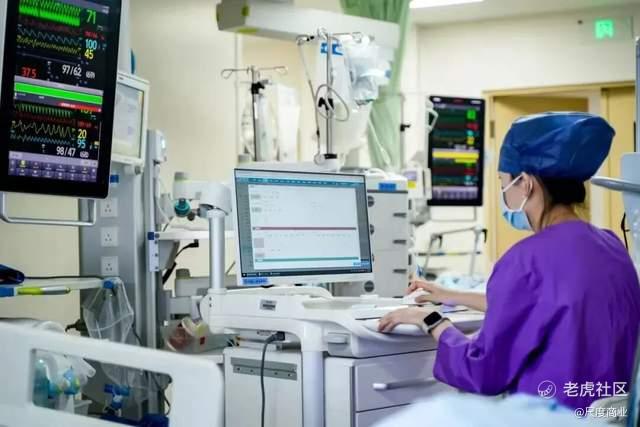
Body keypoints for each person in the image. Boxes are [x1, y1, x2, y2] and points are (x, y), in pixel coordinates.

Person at [378, 112, 640, 410]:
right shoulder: (611, 247)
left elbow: (483, 369)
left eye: (504, 182)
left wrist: (432, 321)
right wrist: (449, 295)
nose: (504, 193)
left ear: (525, 183)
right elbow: (551, 306)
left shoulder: (526, 260)